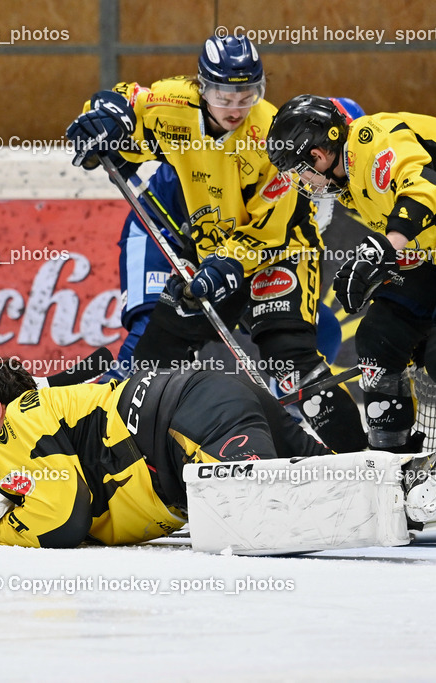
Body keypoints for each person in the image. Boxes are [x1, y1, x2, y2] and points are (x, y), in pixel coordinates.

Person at [65, 36, 366, 453]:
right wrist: (102, 120)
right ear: (202, 87)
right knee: (154, 354)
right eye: (225, 95)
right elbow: (123, 101)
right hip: (202, 244)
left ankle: (363, 462)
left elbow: (269, 230)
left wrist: (226, 265)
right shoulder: (173, 103)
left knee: (290, 356)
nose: (235, 107)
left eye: (247, 95)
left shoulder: (271, 135)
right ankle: (104, 445)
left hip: (278, 251)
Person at [265, 95, 436, 452]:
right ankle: (391, 461)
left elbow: (426, 188)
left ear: (318, 156)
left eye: (299, 170)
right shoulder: (347, 185)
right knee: (378, 338)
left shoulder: (372, 139)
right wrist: (378, 266)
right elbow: (411, 231)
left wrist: (384, 248)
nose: (302, 181)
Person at [0, 360, 329, 548]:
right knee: (339, 476)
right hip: (204, 401)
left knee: (261, 516)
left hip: (186, 422)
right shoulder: (53, 418)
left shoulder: (19, 417)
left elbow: (62, 522)